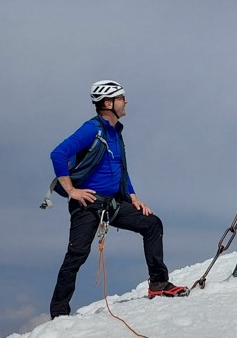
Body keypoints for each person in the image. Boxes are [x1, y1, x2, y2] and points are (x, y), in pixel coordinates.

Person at [49, 79, 188, 318]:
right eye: (122, 98)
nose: (126, 102)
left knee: (152, 224)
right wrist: (71, 191)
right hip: (87, 205)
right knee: (76, 255)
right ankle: (59, 313)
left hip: (112, 203)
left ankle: (158, 284)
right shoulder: (92, 129)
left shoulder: (116, 133)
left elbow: (121, 169)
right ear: (108, 103)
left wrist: (133, 198)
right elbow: (58, 153)